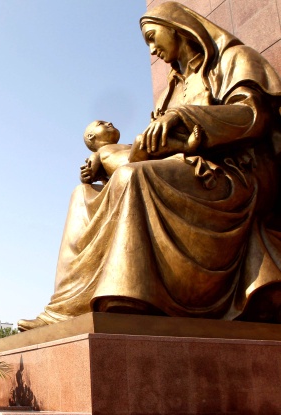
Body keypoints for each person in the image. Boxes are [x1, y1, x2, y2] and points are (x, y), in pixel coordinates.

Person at [19, 1, 281, 330]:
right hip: (186, 169)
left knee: (131, 176)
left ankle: (130, 296)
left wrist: (184, 117)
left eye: (152, 37)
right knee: (82, 196)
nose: (153, 50)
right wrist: (111, 161)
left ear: (177, 27)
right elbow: (158, 148)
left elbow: (253, 116)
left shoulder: (234, 60)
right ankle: (65, 307)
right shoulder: (172, 88)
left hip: (234, 172)